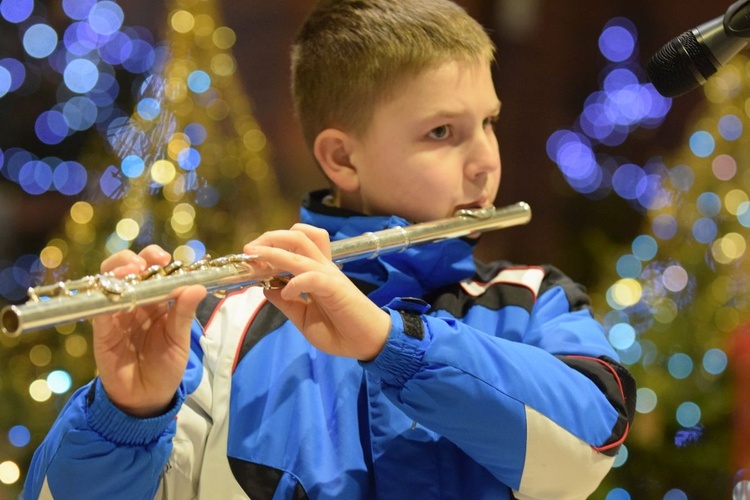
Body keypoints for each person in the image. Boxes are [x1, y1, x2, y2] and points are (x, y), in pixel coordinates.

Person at [24, 0, 636, 498]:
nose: (485, 161)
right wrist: (126, 417)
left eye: (490, 122)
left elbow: (586, 451)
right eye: (442, 133)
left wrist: (391, 342)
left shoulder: (533, 301)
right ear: (342, 157)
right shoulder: (218, 327)